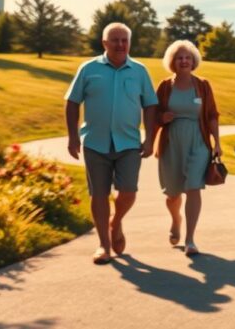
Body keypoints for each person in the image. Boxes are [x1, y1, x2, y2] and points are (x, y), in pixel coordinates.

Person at [65, 22, 158, 265]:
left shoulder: (139, 71)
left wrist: (150, 138)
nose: (120, 45)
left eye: (124, 40)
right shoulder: (88, 69)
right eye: (115, 40)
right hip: (95, 143)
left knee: (128, 191)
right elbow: (72, 102)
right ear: (104, 43)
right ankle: (103, 245)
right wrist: (73, 137)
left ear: (129, 43)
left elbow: (150, 105)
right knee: (99, 194)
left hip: (128, 143)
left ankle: (114, 223)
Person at [153, 39, 221, 256]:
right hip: (171, 143)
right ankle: (176, 220)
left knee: (194, 187)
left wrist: (217, 142)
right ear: (173, 62)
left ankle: (190, 239)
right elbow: (153, 115)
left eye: (188, 57)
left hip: (198, 142)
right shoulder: (165, 86)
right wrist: (162, 117)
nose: (184, 61)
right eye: (179, 57)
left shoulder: (202, 85)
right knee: (172, 194)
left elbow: (211, 115)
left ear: (194, 61)